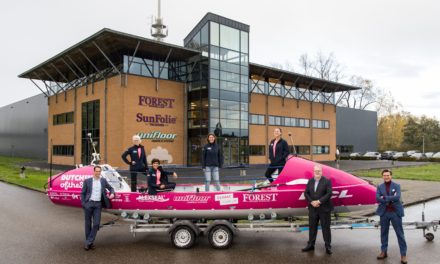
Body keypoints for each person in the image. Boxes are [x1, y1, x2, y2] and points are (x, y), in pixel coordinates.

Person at [376, 169, 408, 264]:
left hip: (395, 213)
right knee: (383, 233)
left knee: (400, 234)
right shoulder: (380, 186)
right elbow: (377, 198)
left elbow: (397, 197)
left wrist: (384, 198)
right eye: (384, 175)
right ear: (382, 176)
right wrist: (390, 198)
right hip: (384, 212)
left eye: (388, 175)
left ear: (391, 176)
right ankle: (383, 251)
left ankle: (403, 255)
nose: (386, 177)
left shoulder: (397, 185)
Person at [80, 165, 115, 250]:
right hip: (89, 204)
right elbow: (83, 193)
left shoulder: (103, 181)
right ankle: (90, 243)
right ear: (94, 171)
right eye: (97, 171)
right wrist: (84, 204)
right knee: (88, 224)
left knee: (96, 224)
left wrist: (112, 193)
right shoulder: (87, 181)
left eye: (99, 171)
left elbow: (111, 188)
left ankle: (88, 242)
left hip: (98, 205)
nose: (98, 173)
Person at [302, 164, 333, 255]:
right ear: (313, 172)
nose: (317, 172)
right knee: (312, 227)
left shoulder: (327, 181)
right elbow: (306, 193)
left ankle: (328, 246)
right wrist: (312, 202)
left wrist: (319, 201)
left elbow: (329, 193)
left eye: (319, 171)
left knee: (325, 228)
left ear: (321, 172)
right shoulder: (310, 181)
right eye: (315, 171)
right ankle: (311, 245)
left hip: (324, 208)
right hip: (313, 208)